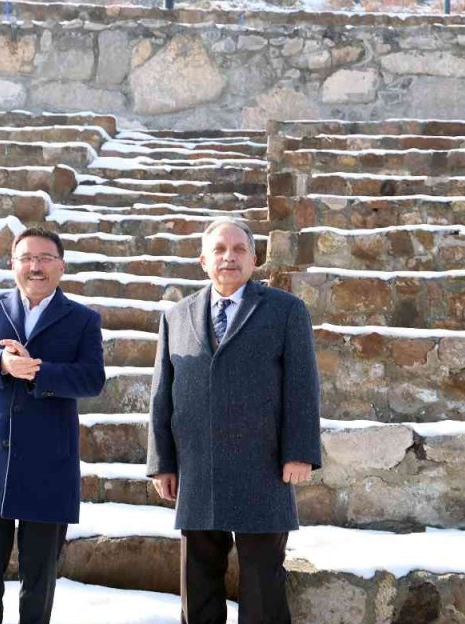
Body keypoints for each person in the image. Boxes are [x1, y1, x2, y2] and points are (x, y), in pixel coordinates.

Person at [146, 218, 322, 624]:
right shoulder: (177, 317)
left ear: (254, 259)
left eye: (240, 249)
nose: (230, 257)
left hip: (263, 465)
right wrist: (163, 462)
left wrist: (299, 452)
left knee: (263, 580)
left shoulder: (285, 311)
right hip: (198, 467)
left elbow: (301, 385)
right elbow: (162, 394)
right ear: (203, 261)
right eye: (220, 250)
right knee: (198, 577)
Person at [0, 227, 106, 624]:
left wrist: (38, 372)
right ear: (12, 265)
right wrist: (0, 364)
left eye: (45, 258)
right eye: (26, 258)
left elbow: (92, 379)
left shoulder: (83, 319)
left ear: (61, 266)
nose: (36, 267)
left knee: (39, 583)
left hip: (49, 465)